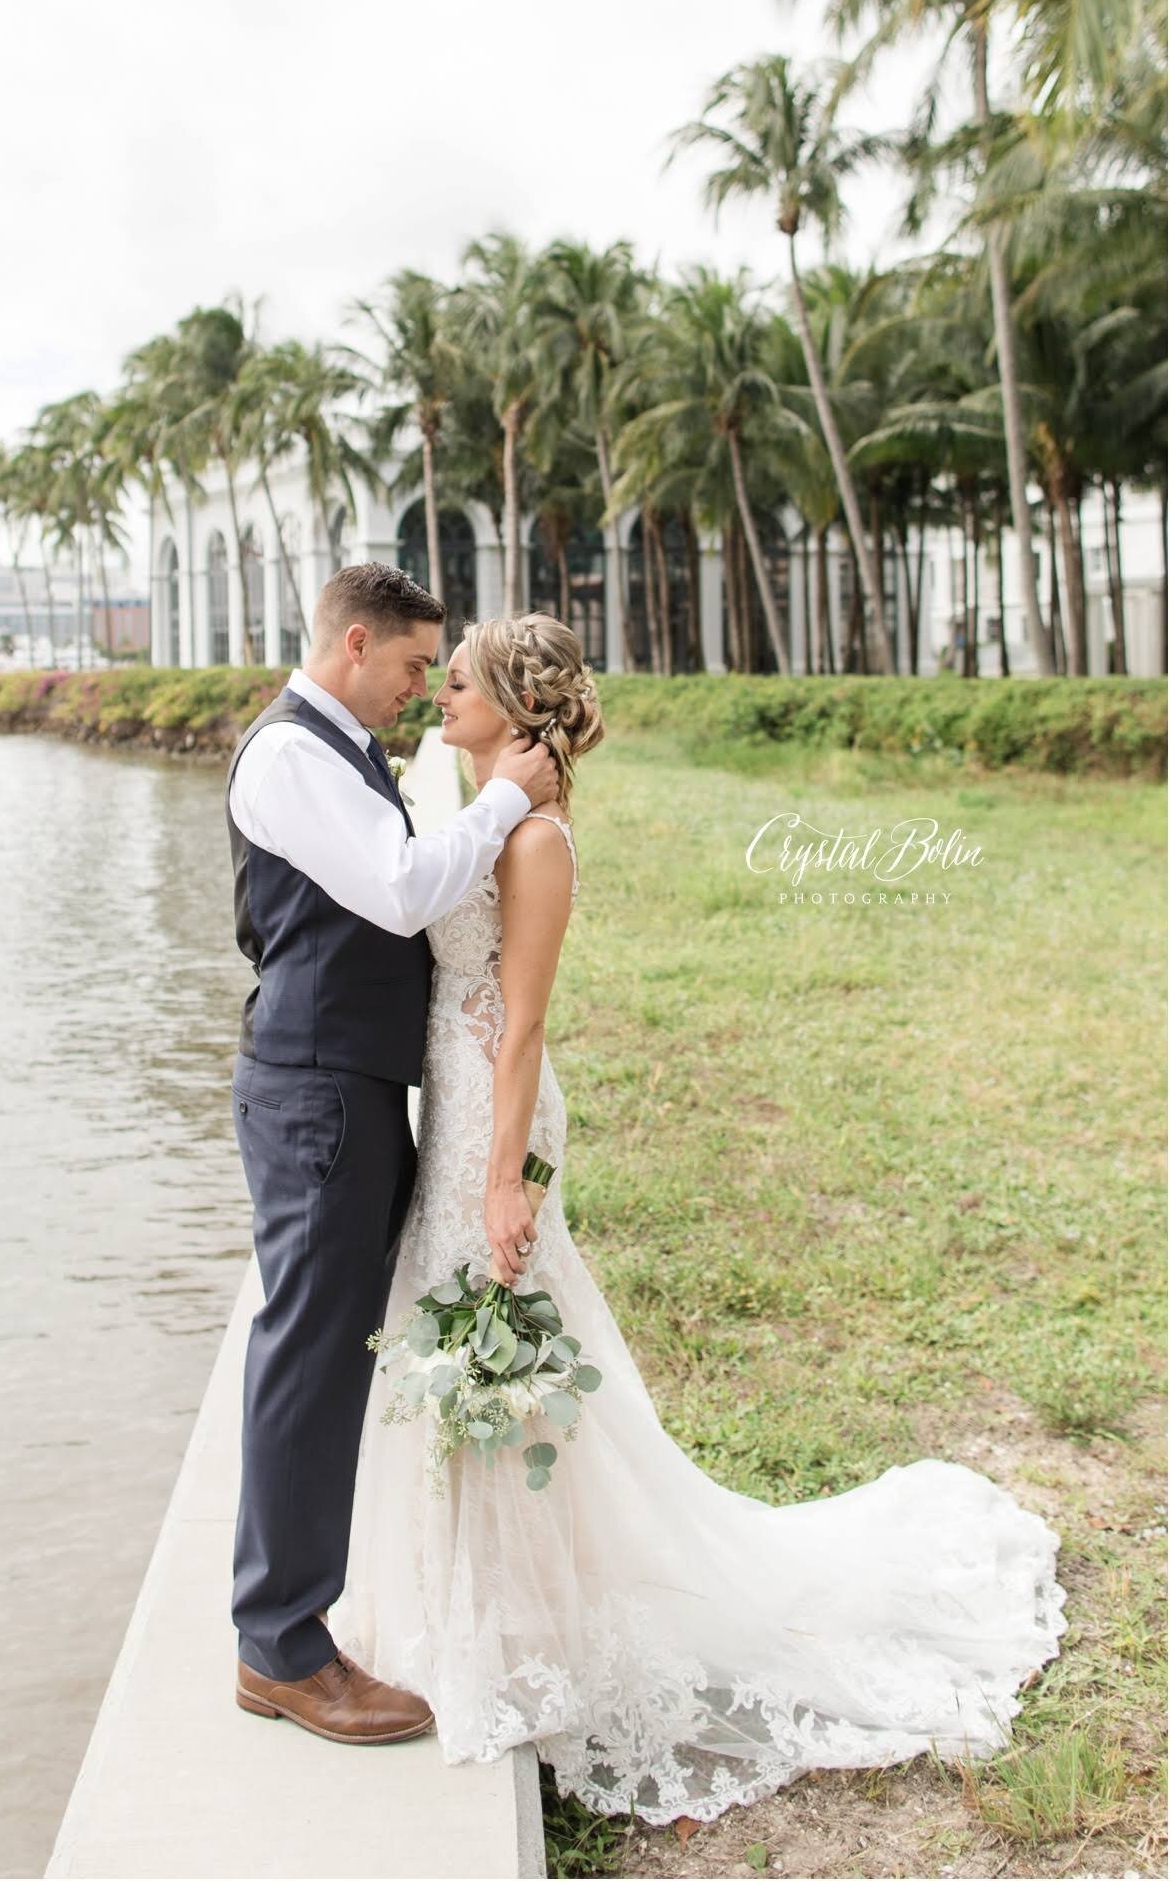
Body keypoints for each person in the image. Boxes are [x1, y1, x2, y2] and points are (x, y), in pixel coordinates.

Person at [328, 609, 1068, 1826]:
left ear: (513, 706)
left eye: (452, 683)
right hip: (458, 1105)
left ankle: (519, 1633)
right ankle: (478, 1610)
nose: (434, 696)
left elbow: (519, 1028)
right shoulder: (482, 802)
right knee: (464, 1350)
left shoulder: (539, 842)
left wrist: (503, 1175)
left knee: (495, 1358)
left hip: (492, 1118)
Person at [223, 561, 560, 1745]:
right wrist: (509, 797)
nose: (424, 689)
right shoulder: (288, 756)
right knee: (310, 1356)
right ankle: (282, 1647)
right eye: (415, 666)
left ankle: (290, 1628)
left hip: (348, 1087)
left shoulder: (339, 746)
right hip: (315, 1092)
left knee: (326, 1353)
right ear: (354, 643)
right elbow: (408, 884)